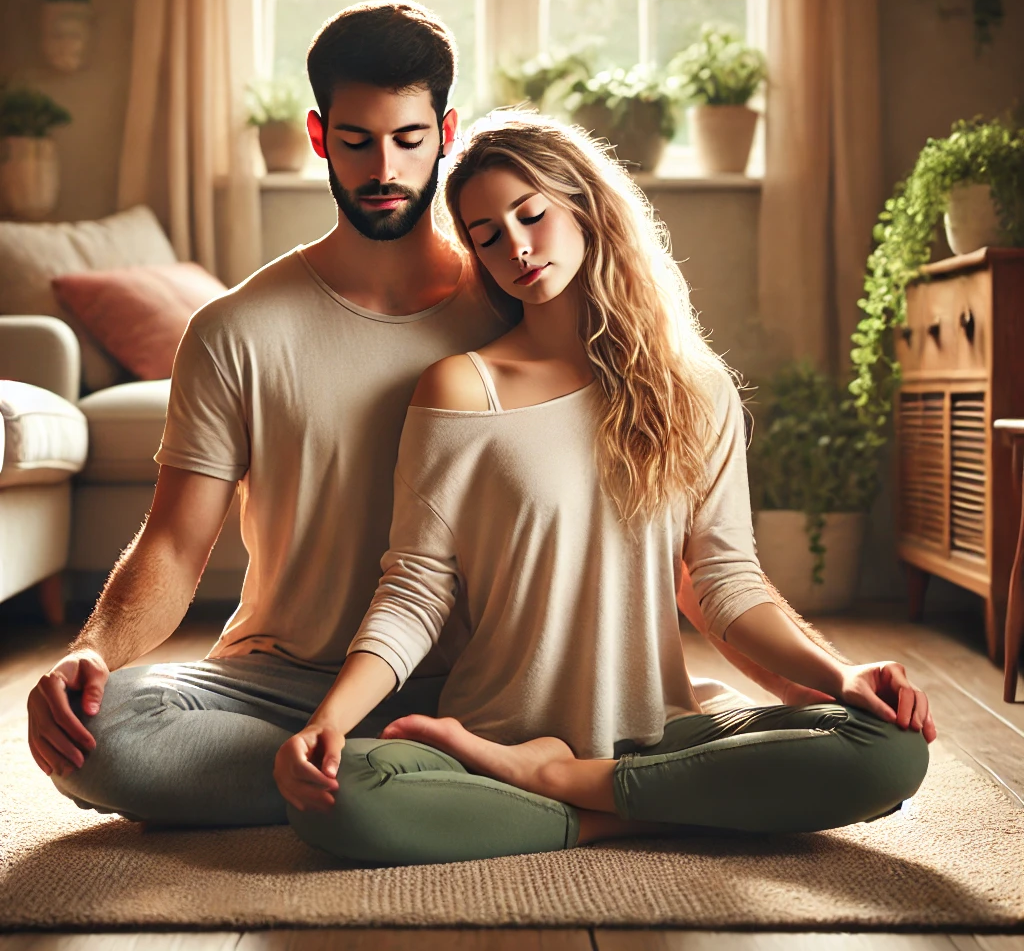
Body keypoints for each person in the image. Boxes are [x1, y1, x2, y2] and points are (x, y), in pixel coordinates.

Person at [273, 112, 935, 866]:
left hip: (662, 732)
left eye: (532, 215)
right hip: (491, 738)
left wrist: (842, 675)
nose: (516, 247)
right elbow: (416, 590)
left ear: (585, 206)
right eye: (487, 236)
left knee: (889, 749)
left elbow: (726, 581)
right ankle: (655, 808)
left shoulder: (697, 389)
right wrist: (328, 722)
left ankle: (561, 788)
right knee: (343, 794)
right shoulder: (462, 389)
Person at [25, 0, 514, 826]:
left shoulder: (511, 306)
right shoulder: (235, 330)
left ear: (447, 133)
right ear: (320, 137)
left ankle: (383, 772)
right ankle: (405, 777)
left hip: (475, 680)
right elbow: (175, 543)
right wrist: (91, 650)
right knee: (99, 735)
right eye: (356, 141)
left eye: (408, 139)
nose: (384, 168)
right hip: (281, 681)